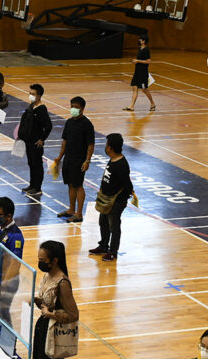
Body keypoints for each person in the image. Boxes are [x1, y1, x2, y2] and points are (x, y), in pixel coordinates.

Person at [89, 133, 133, 262]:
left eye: (106, 144)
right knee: (103, 222)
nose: (105, 147)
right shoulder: (113, 159)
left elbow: (127, 185)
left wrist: (120, 201)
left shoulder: (121, 164)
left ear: (110, 148)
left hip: (116, 201)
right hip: (106, 199)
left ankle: (113, 252)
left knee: (114, 225)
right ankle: (103, 245)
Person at [54, 96, 94, 223]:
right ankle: (71, 210)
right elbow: (64, 142)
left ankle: (79, 214)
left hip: (79, 160)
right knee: (70, 184)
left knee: (78, 185)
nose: (73, 109)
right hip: (68, 159)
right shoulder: (69, 122)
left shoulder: (87, 125)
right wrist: (59, 158)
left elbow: (90, 145)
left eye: (76, 107)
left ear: (82, 108)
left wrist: (87, 161)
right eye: (72, 106)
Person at [18, 83, 52, 195]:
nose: (30, 95)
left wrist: (42, 139)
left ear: (39, 96)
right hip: (28, 141)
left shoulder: (41, 109)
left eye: (33, 94)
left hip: (36, 143)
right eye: (30, 93)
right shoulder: (31, 106)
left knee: (37, 164)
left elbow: (48, 126)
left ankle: (37, 188)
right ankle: (32, 185)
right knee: (31, 163)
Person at [123, 35, 156, 112]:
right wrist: (135, 61)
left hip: (143, 73)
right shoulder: (140, 49)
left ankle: (152, 104)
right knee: (134, 87)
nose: (139, 41)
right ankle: (131, 106)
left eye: (140, 40)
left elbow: (149, 61)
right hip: (137, 72)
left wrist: (138, 61)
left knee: (144, 89)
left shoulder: (146, 50)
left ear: (144, 41)